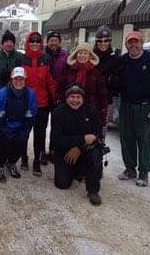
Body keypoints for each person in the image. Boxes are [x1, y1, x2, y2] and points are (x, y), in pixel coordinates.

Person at [118, 31, 150, 187]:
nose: (133, 45)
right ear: (126, 44)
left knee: (145, 140)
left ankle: (144, 172)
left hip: (145, 107)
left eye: (136, 42)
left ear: (141, 43)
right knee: (127, 138)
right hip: (126, 105)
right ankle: (130, 169)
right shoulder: (123, 61)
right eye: (130, 42)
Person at [52, 84, 103, 206]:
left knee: (96, 154)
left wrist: (79, 148)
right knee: (62, 184)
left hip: (86, 150)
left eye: (78, 97)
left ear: (83, 98)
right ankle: (75, 172)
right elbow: (57, 140)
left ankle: (93, 191)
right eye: (72, 97)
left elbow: (96, 136)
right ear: (66, 98)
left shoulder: (91, 111)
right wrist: (82, 139)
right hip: (64, 151)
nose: (75, 100)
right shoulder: (58, 112)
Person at [0, 67, 37, 183]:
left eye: (21, 79)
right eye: (16, 79)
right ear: (11, 80)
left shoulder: (30, 94)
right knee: (6, 142)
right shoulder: (2, 93)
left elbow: (32, 114)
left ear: (25, 80)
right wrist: (4, 130)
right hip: (4, 125)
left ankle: (11, 163)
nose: (18, 82)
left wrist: (24, 130)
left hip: (21, 125)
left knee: (21, 143)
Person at [21, 31, 57, 176]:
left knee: (40, 134)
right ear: (28, 43)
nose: (35, 44)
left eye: (37, 42)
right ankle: (23, 157)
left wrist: (56, 99)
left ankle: (37, 160)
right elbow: (16, 80)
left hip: (42, 104)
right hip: (25, 103)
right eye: (32, 42)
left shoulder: (46, 59)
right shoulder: (21, 59)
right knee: (23, 132)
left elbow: (51, 82)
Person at [0, 30, 25, 158]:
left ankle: (10, 144)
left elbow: (24, 75)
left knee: (12, 119)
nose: (9, 44)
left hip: (16, 94)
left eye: (11, 42)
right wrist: (0, 76)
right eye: (6, 41)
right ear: (2, 43)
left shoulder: (20, 57)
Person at [62, 42, 108, 136]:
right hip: (70, 110)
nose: (82, 55)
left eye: (85, 53)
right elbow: (61, 88)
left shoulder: (96, 73)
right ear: (76, 55)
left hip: (89, 111)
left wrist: (102, 112)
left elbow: (102, 94)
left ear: (90, 56)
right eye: (80, 53)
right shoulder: (69, 70)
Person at [44, 31, 69, 165]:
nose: (53, 43)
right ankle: (41, 151)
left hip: (58, 96)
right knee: (41, 126)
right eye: (51, 40)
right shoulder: (43, 55)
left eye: (56, 40)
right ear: (47, 42)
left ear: (59, 42)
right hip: (43, 94)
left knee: (57, 125)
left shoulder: (65, 56)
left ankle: (53, 150)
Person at [93, 25, 122, 139]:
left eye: (106, 40)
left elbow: (119, 79)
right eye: (99, 40)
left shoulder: (115, 58)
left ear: (110, 41)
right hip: (90, 98)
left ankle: (99, 152)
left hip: (106, 100)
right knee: (87, 126)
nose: (103, 43)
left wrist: (110, 84)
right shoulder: (91, 56)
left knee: (102, 128)